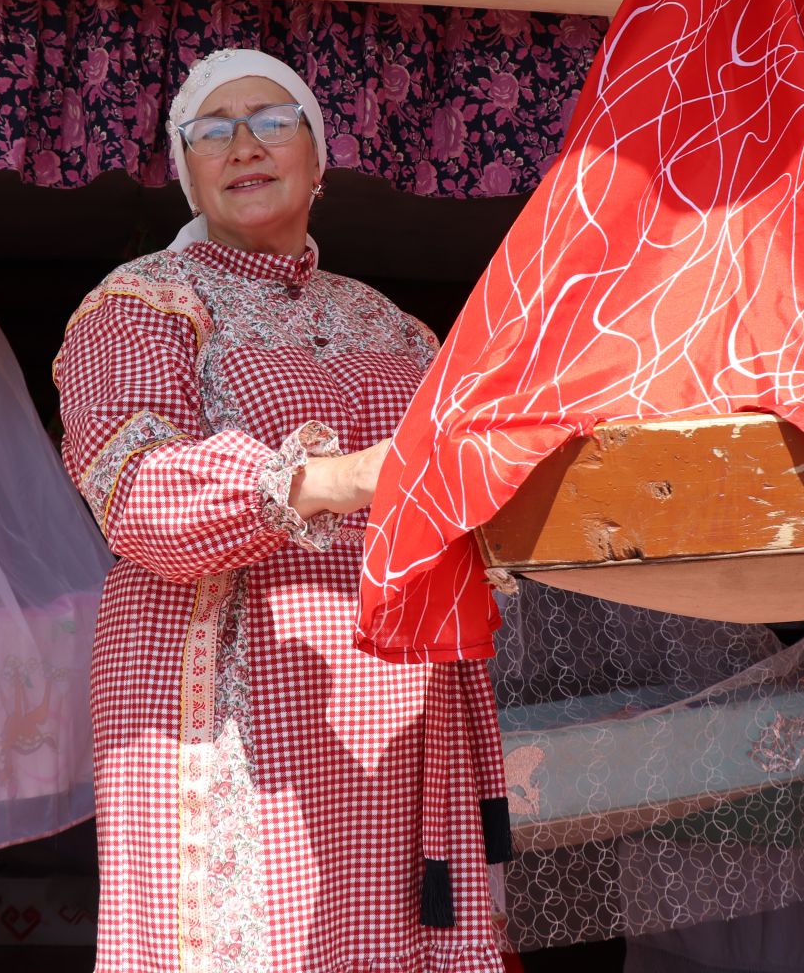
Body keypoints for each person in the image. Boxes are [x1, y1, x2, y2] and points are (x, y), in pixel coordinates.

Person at [54, 49, 510, 972]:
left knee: (392, 937)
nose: (243, 146)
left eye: (271, 121)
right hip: (224, 693)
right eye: (211, 132)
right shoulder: (141, 305)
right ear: (186, 171)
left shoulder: (394, 326)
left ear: (318, 160)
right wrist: (347, 479)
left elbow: (465, 492)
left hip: (391, 696)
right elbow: (133, 487)